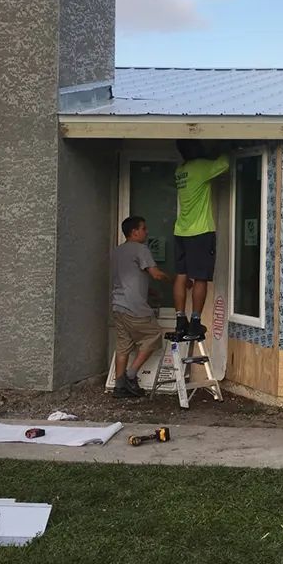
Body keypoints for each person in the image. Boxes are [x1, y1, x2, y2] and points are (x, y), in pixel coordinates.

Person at [173, 140, 230, 338]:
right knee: (200, 277)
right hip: (200, 232)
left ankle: (180, 320)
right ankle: (195, 322)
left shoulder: (180, 171)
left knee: (181, 275)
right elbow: (224, 163)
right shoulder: (201, 167)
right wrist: (225, 145)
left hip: (181, 231)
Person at [111, 216, 172, 398]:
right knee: (154, 334)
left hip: (118, 306)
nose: (147, 232)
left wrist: (150, 292)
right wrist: (176, 280)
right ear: (134, 232)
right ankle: (131, 376)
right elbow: (156, 274)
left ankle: (119, 387)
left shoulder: (117, 251)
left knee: (123, 346)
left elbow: (129, 278)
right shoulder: (141, 249)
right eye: (144, 228)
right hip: (134, 306)